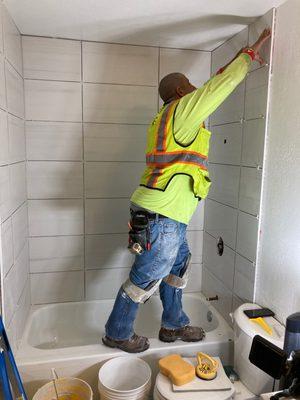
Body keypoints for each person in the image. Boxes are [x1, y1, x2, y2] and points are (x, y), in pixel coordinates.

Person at [102, 28, 271, 353]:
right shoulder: (182, 110)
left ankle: (173, 325)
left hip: (163, 212)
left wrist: (240, 56)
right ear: (181, 89)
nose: (196, 90)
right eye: (191, 86)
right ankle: (118, 332)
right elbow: (217, 88)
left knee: (179, 264)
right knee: (147, 275)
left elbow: (211, 86)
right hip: (162, 214)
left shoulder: (167, 116)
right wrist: (247, 56)